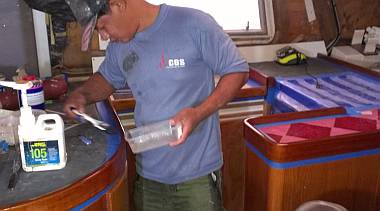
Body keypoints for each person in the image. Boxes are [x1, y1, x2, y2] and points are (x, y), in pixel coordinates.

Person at [63, 0, 249, 210]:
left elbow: (237, 71)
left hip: (197, 178)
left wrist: (198, 113)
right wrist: (81, 95)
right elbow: (107, 79)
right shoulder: (119, 46)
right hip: (149, 176)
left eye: (102, 27)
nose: (104, 36)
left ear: (118, 5)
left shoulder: (194, 24)